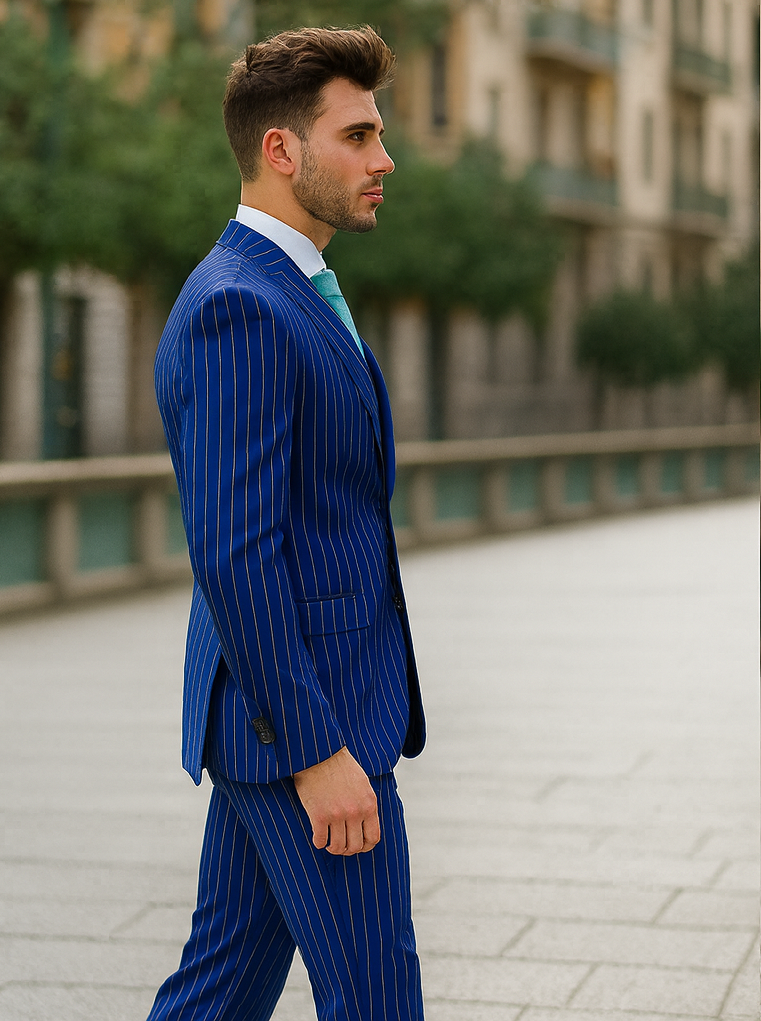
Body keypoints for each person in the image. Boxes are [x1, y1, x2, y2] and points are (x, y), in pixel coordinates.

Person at [146, 25, 426, 1021]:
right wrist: (315, 751)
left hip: (282, 710)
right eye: (356, 136)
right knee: (377, 1000)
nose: (382, 159)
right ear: (280, 149)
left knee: (219, 990)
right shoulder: (241, 306)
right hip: (307, 723)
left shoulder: (290, 288)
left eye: (377, 133)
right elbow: (236, 552)